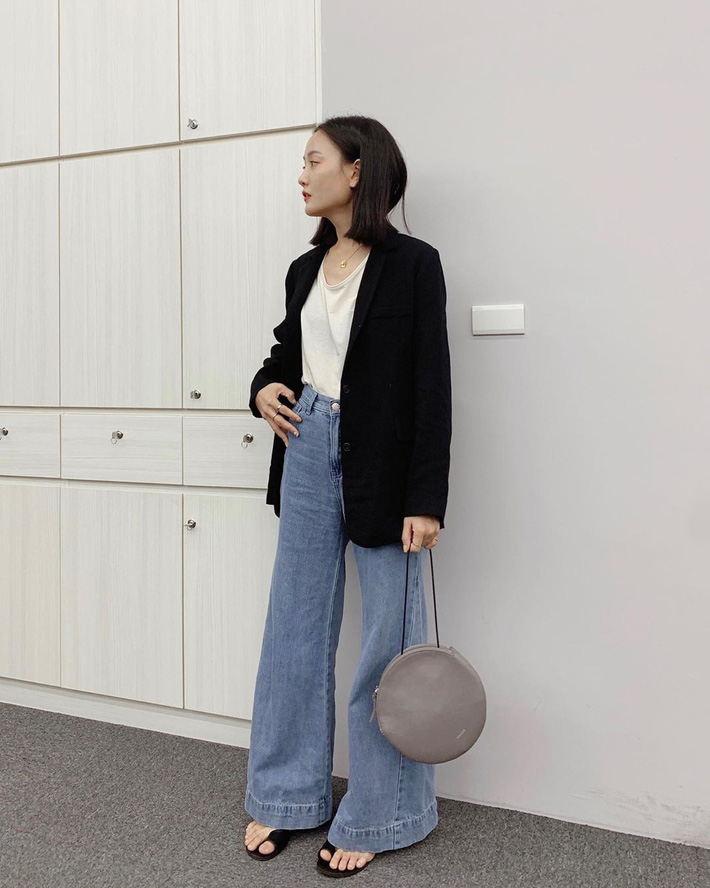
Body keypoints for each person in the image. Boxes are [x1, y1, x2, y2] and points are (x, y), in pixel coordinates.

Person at [243, 115, 452, 877]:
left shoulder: (413, 264)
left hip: (386, 469)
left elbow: (430, 386)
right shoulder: (306, 267)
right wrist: (263, 388)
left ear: (357, 170)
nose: (302, 175)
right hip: (306, 447)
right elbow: (287, 354)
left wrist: (425, 499)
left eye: (313, 160)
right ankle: (285, 795)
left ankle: (383, 811)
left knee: (386, 645)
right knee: (294, 632)